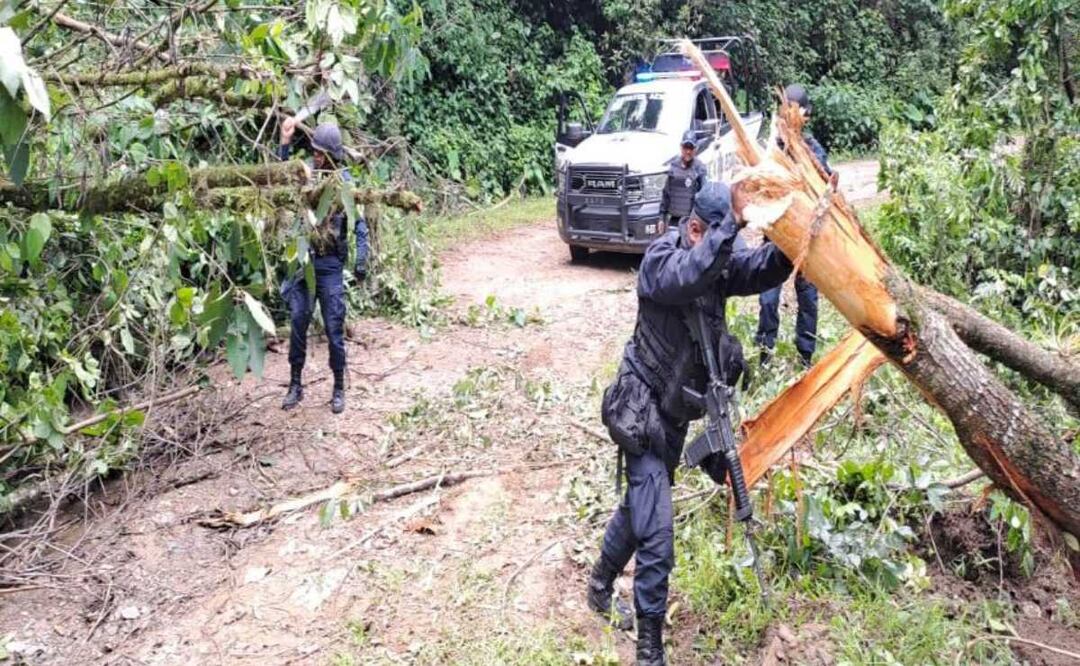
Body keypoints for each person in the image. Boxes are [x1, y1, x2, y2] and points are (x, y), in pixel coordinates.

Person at [587, 182, 792, 665]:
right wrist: (732, 226)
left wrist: (794, 234)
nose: (725, 252)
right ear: (695, 227)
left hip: (675, 419)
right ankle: (649, 650)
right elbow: (688, 277)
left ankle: (598, 585)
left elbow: (761, 267)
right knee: (657, 535)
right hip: (640, 416)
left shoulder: (713, 261)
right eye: (718, 236)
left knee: (640, 508)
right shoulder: (664, 260)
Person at [277, 118, 369, 414]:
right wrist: (285, 142)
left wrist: (361, 261)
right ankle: (295, 384)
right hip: (305, 263)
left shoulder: (345, 182)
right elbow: (283, 180)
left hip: (329, 265)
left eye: (320, 152)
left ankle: (339, 387)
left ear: (331, 155)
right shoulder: (307, 175)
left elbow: (360, 224)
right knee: (299, 320)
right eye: (313, 151)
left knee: (333, 327)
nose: (315, 156)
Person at [754, 84, 831, 368]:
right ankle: (764, 353)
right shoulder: (774, 149)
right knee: (767, 297)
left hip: (806, 238)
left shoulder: (814, 151)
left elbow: (827, 189)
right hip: (777, 234)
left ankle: (805, 358)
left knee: (808, 299)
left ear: (805, 116)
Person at [658, 130, 707, 229]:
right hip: (674, 221)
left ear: (695, 149)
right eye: (686, 147)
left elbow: (704, 197)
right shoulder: (674, 166)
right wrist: (661, 218)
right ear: (681, 147)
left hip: (692, 222)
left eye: (691, 148)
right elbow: (666, 194)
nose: (688, 151)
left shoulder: (699, 168)